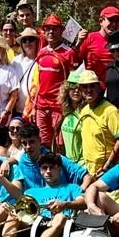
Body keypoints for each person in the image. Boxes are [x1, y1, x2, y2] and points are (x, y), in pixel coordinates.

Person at [67, 67, 119, 175]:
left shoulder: (111, 111)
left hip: (110, 171)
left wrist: (108, 165)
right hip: (90, 169)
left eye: (92, 86)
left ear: (99, 88)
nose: (88, 90)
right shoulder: (84, 110)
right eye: (84, 86)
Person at [32, 15, 79, 148]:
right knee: (43, 142)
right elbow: (38, 80)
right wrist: (34, 105)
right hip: (41, 106)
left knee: (60, 143)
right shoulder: (41, 52)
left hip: (59, 106)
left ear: (61, 31)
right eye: (47, 29)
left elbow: (74, 82)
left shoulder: (69, 53)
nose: (51, 32)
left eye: (55, 29)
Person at [79, 5, 119, 79]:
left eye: (116, 21)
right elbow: (76, 60)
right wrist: (79, 43)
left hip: (113, 86)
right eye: (111, 20)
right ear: (101, 21)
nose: (114, 24)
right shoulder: (90, 38)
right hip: (93, 86)